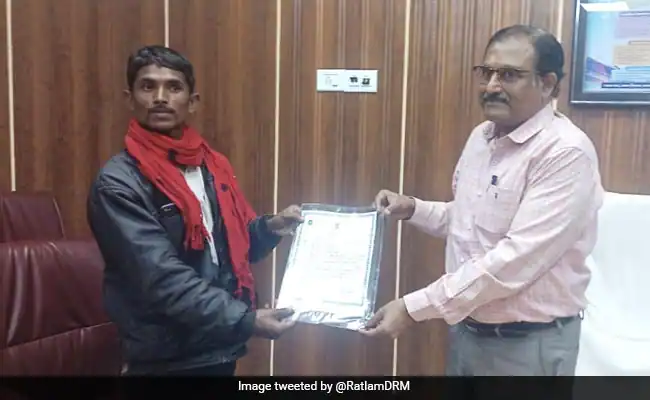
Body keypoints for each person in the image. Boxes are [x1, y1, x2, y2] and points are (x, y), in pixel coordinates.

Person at [361, 25, 604, 377]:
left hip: (526, 344)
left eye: (509, 75)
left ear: (547, 84)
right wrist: (412, 207)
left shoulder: (565, 153)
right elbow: (466, 221)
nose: (491, 86)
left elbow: (513, 260)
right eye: (486, 72)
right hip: (468, 330)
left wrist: (414, 307)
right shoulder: (482, 136)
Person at [87, 45, 302, 376]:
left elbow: (229, 250)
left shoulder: (210, 166)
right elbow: (160, 278)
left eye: (173, 87)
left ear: (192, 101)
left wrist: (270, 228)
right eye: (148, 86)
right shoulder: (118, 183)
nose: (160, 97)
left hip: (215, 345)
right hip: (165, 359)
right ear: (130, 98)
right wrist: (246, 319)